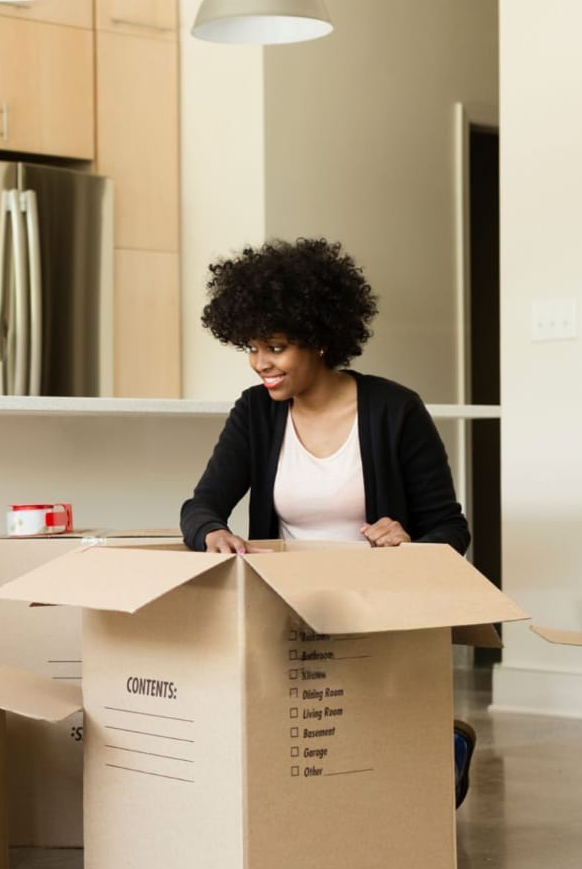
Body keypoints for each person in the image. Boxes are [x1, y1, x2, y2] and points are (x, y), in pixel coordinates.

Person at [178, 237, 478, 808]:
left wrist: (409, 542)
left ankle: (445, 744)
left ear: (319, 338)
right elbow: (201, 505)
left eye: (277, 346)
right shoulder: (254, 412)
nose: (261, 362)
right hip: (290, 608)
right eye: (251, 347)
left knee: (378, 767)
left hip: (379, 607)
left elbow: (450, 527)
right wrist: (212, 534)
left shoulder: (395, 410)